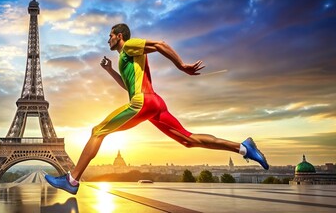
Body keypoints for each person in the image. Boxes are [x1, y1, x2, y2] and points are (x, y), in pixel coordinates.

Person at [45, 23, 268, 195]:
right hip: (154, 104)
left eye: (110, 36)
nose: (108, 40)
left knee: (97, 131)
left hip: (144, 102)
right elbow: (128, 87)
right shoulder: (126, 58)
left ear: (120, 36)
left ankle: (72, 180)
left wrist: (182, 66)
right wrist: (110, 71)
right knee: (189, 140)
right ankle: (244, 148)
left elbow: (161, 44)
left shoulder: (129, 47)